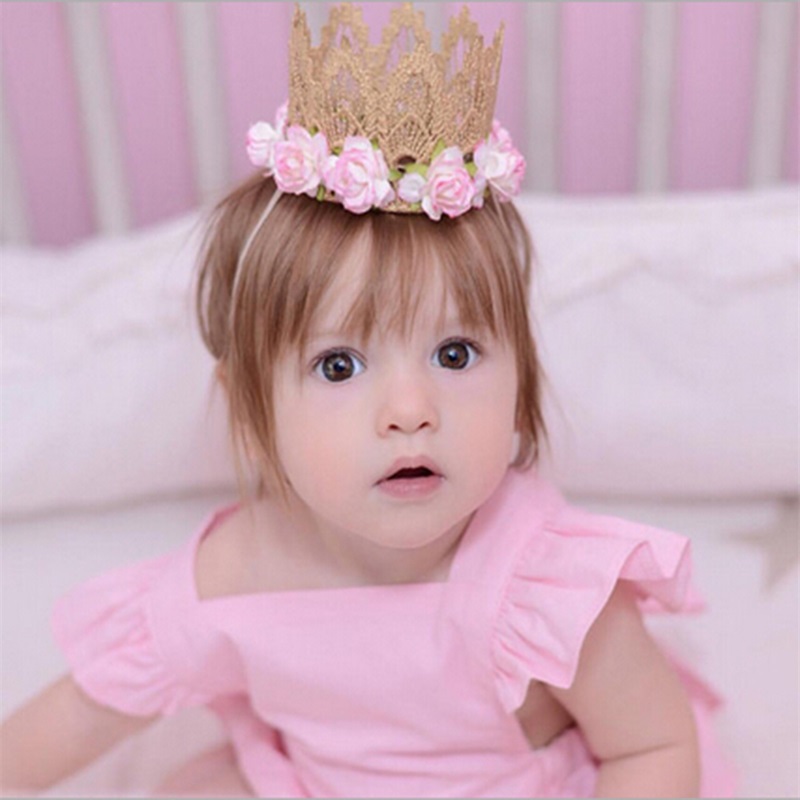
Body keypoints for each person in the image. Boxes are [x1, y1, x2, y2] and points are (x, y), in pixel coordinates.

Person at [0, 4, 735, 797]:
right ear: (250, 415)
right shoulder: (239, 570)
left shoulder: (543, 586)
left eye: (455, 354)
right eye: (339, 365)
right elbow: (85, 714)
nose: (410, 409)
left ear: (521, 390)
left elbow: (651, 748)